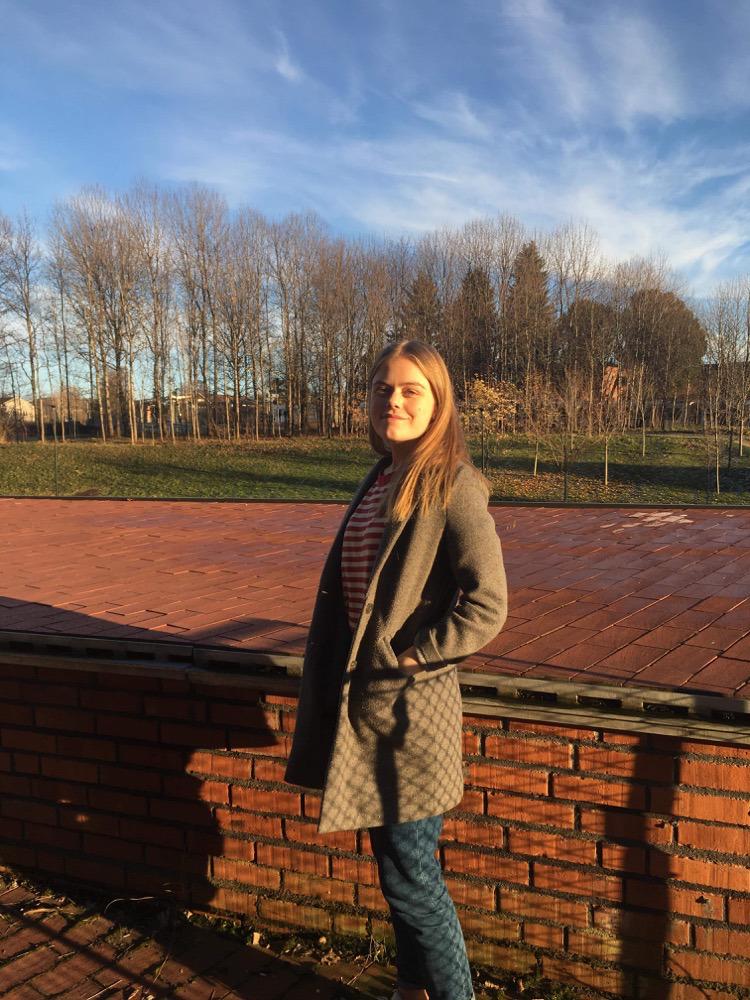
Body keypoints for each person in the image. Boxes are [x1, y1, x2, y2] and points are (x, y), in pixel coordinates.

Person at [285, 339, 508, 1000]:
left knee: (412, 877)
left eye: (412, 390)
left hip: (410, 716)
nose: (394, 401)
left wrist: (411, 656)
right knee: (399, 870)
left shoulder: (454, 484)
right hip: (367, 709)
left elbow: (488, 605)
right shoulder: (381, 476)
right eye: (383, 388)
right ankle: (412, 989)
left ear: (439, 403)